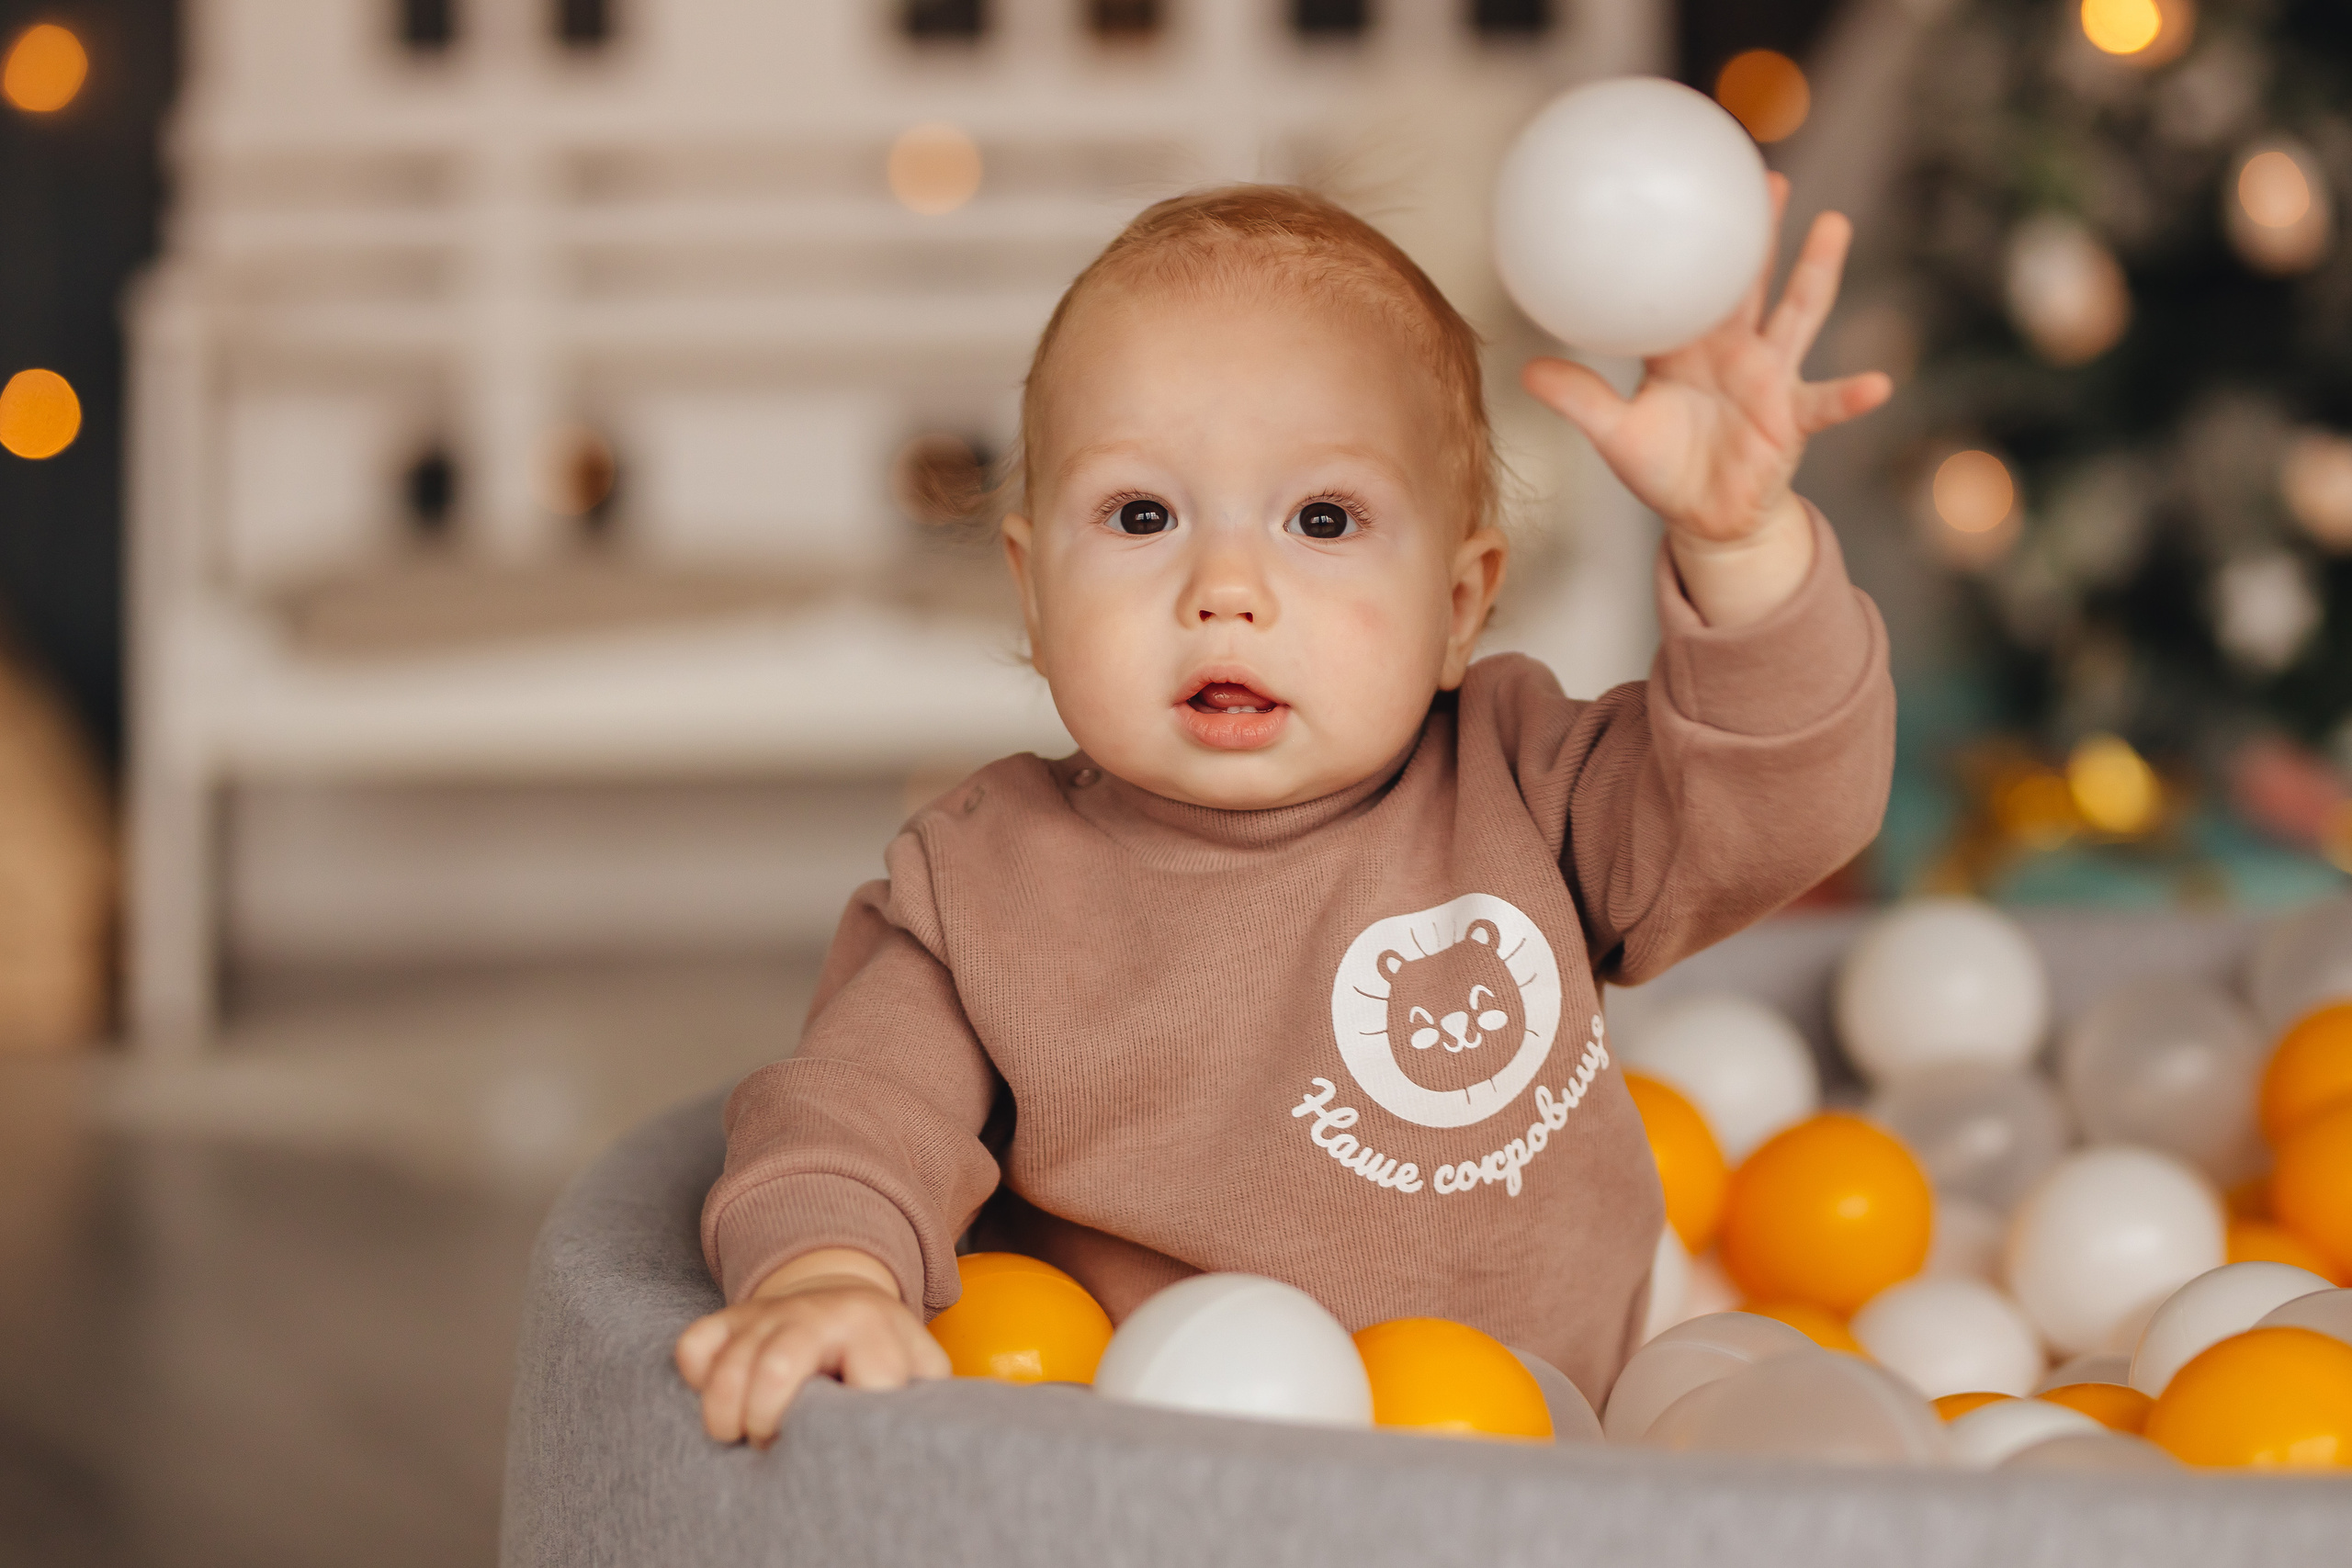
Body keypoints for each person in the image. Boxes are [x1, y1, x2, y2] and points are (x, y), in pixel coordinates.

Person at [675, 178, 1895, 1445]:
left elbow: (1781, 800)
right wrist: (827, 1274)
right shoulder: (983, 888)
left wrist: (1744, 551)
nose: (1227, 588)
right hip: (1176, 1487)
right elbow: (850, 1113)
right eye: (1142, 515)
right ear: (1034, 598)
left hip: (1574, 1448)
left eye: (1323, 519)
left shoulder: (1527, 783)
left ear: (1462, 604)